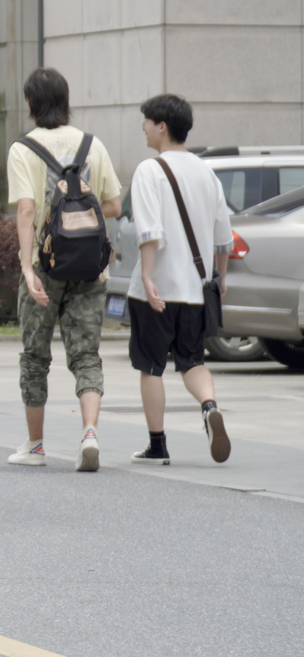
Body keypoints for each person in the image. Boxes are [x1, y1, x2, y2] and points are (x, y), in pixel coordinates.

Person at [5, 68, 123, 471]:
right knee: (86, 354)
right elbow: (113, 207)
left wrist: (26, 267)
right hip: (91, 267)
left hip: (45, 266)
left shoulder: (23, 149)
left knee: (35, 357)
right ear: (65, 100)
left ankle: (35, 445)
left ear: (31, 104)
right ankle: (89, 431)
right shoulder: (93, 145)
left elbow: (26, 210)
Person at [126, 95, 233, 465]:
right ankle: (209, 407)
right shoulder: (207, 172)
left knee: (151, 366)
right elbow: (225, 236)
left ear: (162, 127)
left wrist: (146, 274)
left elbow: (151, 232)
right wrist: (220, 277)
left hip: (156, 288)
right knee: (192, 361)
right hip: (196, 290)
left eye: (146, 121)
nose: (142, 127)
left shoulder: (149, 170)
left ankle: (157, 445)